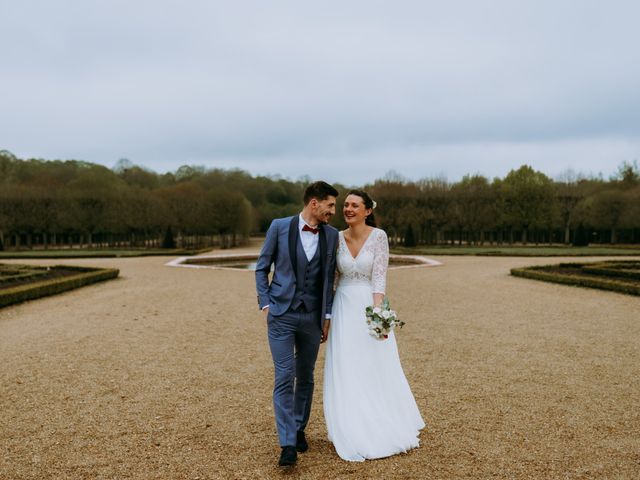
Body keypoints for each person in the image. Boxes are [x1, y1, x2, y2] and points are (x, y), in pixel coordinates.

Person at [323, 189, 425, 461]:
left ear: (368, 210)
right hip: (343, 306)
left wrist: (378, 314)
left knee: (373, 363)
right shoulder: (335, 237)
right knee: (347, 364)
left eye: (355, 205)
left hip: (367, 306)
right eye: (346, 205)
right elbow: (332, 278)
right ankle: (350, 421)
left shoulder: (378, 237)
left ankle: (381, 417)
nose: (348, 209)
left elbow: (379, 277)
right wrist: (327, 315)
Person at [255, 181, 340, 467]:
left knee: (305, 376)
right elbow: (262, 267)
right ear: (314, 203)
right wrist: (266, 303)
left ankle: (300, 427)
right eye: (330, 205)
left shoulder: (332, 236)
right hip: (281, 314)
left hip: (312, 317)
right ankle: (287, 443)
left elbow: (330, 280)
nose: (333, 212)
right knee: (284, 375)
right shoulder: (279, 226)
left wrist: (326, 316)